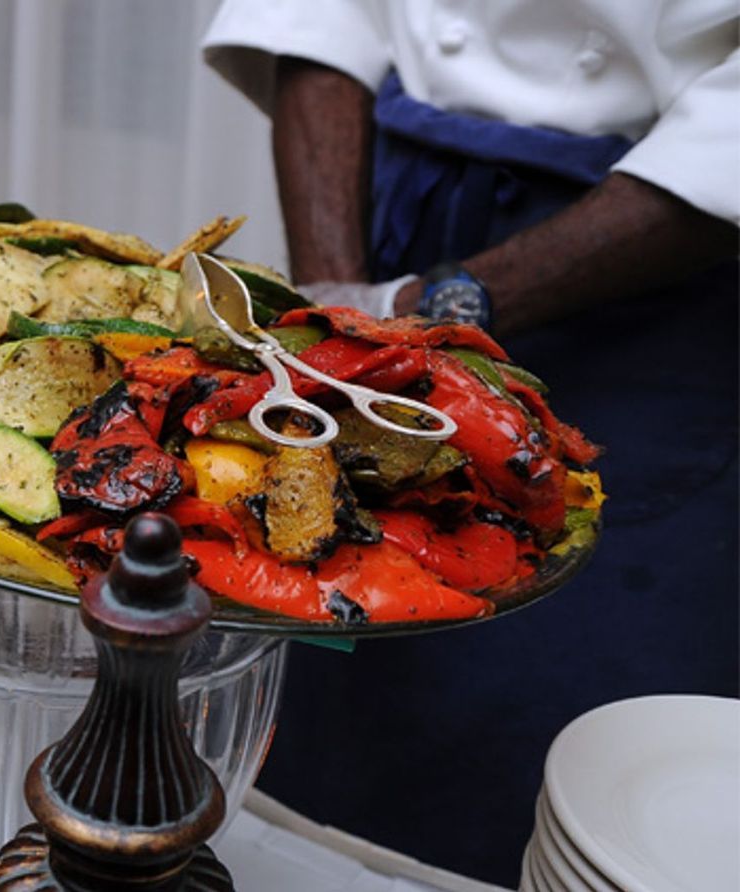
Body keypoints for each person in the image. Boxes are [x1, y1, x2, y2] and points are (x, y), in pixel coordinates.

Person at [200, 1, 738, 883]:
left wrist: (434, 308)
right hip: (383, 200)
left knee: (561, 756)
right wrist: (342, 302)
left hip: (650, 256)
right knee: (306, 733)